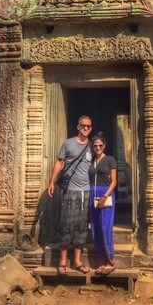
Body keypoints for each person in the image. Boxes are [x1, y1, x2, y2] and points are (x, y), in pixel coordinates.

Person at [48, 115, 93, 275]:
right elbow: (59, 163)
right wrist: (52, 182)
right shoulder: (69, 143)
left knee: (82, 227)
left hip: (86, 191)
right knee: (66, 224)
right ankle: (62, 261)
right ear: (78, 127)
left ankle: (78, 261)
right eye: (83, 126)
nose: (86, 128)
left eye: (88, 126)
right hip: (70, 190)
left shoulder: (92, 146)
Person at [89, 132, 117, 275]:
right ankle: (101, 261)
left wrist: (104, 197)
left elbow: (114, 182)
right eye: (95, 146)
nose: (98, 148)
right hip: (93, 194)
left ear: (104, 145)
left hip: (106, 194)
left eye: (100, 145)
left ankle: (110, 261)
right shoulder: (92, 160)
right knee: (96, 228)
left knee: (106, 228)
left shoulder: (110, 160)